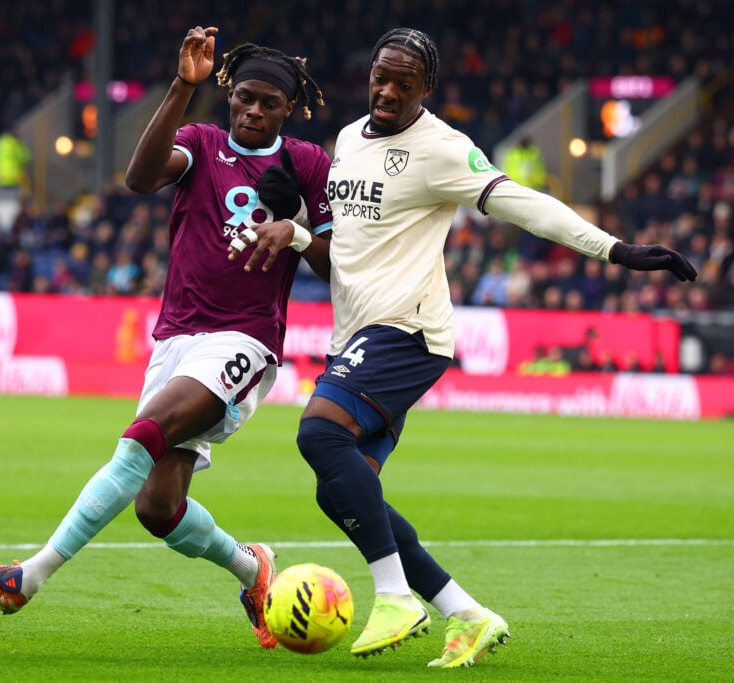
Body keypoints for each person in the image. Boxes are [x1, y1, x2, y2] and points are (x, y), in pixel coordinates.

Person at [240, 28, 697, 668]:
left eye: (405, 82)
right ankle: (466, 612)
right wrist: (292, 231)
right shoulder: (347, 142)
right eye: (381, 76)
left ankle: (396, 595)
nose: (389, 91)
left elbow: (521, 203)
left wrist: (613, 249)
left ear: (427, 88)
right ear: (369, 73)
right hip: (357, 334)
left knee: (318, 438)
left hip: (408, 333)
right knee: (339, 489)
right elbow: (339, 258)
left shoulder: (443, 149)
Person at [0, 25, 334, 650]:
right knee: (158, 509)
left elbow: (336, 266)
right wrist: (182, 85)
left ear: (290, 109)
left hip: (245, 340)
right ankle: (253, 570)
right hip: (175, 341)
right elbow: (139, 177)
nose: (253, 110)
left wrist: (296, 226)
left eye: (269, 103)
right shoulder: (201, 140)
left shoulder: (306, 164)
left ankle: (30, 576)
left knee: (144, 432)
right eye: (244, 97)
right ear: (230, 96)